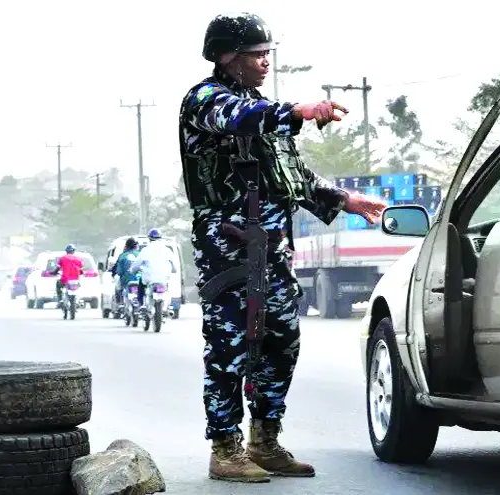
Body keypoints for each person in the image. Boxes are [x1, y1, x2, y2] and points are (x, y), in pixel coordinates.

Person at [180, 12, 389, 483]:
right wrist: (298, 111)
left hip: (272, 249)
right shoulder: (206, 100)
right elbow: (241, 119)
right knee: (229, 346)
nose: (264, 62)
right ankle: (225, 447)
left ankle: (265, 440)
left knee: (280, 341)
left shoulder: (262, 106)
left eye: (267, 54)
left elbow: (291, 176)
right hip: (227, 247)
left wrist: (346, 199)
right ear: (228, 57)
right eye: (256, 55)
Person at [129, 229, 176, 308]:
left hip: (149, 279)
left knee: (141, 284)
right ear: (160, 238)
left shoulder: (145, 250)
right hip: (163, 279)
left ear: (149, 238)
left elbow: (136, 265)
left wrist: (132, 270)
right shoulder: (167, 250)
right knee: (167, 288)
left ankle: (141, 304)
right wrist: (173, 270)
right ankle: (168, 306)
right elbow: (174, 267)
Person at [114, 237, 141, 305]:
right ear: (136, 246)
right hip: (140, 280)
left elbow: (119, 271)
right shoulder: (140, 255)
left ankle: (120, 303)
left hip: (126, 281)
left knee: (117, 284)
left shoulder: (122, 256)